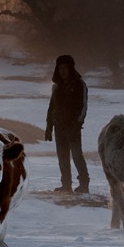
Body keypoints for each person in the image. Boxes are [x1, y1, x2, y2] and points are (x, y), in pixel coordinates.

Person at [44, 54, 89, 193]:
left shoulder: (80, 85)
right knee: (62, 157)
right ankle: (66, 185)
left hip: (73, 127)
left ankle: (84, 184)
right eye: (60, 68)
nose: (62, 71)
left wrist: (77, 123)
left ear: (71, 68)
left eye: (65, 68)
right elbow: (52, 107)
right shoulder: (56, 86)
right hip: (59, 127)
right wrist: (49, 127)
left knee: (76, 156)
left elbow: (83, 106)